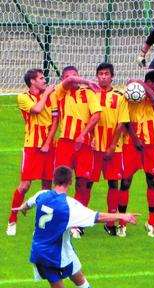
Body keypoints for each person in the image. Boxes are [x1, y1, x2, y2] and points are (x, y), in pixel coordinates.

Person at [13, 165, 139, 288]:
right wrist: (121, 216)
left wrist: (22, 208)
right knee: (72, 281)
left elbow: (29, 202)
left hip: (38, 252)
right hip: (58, 253)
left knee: (64, 284)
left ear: (54, 179)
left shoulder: (42, 194)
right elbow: (97, 217)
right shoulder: (69, 206)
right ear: (70, 182)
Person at [6, 68, 59, 236]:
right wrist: (46, 94)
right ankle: (12, 221)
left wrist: (48, 143)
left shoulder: (52, 97)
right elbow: (36, 110)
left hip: (49, 146)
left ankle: (43, 224)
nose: (45, 80)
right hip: (31, 146)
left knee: (46, 186)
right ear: (32, 82)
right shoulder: (23, 97)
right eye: (41, 78)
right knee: (25, 185)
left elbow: (55, 121)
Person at [54, 66, 102, 238]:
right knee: (61, 182)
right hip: (65, 142)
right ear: (63, 79)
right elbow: (68, 82)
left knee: (83, 181)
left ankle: (77, 224)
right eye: (68, 77)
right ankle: (60, 219)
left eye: (75, 76)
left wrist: (83, 134)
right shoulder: (59, 93)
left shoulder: (88, 94)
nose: (72, 79)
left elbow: (96, 115)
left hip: (85, 144)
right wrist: (85, 81)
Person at [85, 63, 130, 237]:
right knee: (86, 183)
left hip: (113, 148)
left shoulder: (120, 97)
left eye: (106, 74)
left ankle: (110, 223)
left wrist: (112, 146)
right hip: (93, 148)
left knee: (113, 183)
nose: (103, 77)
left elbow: (121, 123)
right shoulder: (91, 94)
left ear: (112, 76)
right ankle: (80, 223)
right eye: (100, 74)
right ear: (97, 76)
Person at [118, 70, 154, 238]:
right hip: (130, 144)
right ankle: (122, 223)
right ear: (150, 82)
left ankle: (152, 222)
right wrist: (135, 138)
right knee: (125, 182)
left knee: (152, 180)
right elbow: (124, 118)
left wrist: (144, 86)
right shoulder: (130, 92)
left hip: (151, 144)